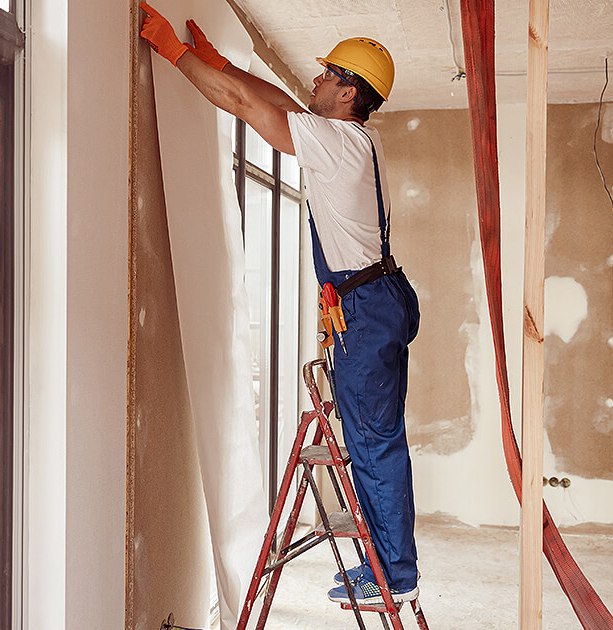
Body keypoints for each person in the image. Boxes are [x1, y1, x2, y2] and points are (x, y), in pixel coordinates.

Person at [140, 2, 421, 605]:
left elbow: (250, 110)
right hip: (375, 300)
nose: (314, 80)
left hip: (366, 310)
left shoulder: (338, 143)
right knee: (374, 437)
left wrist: (175, 54)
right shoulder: (346, 138)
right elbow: (273, 101)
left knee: (373, 441)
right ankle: (386, 559)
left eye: (326, 74)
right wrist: (221, 63)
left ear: (348, 93)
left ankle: (393, 573)